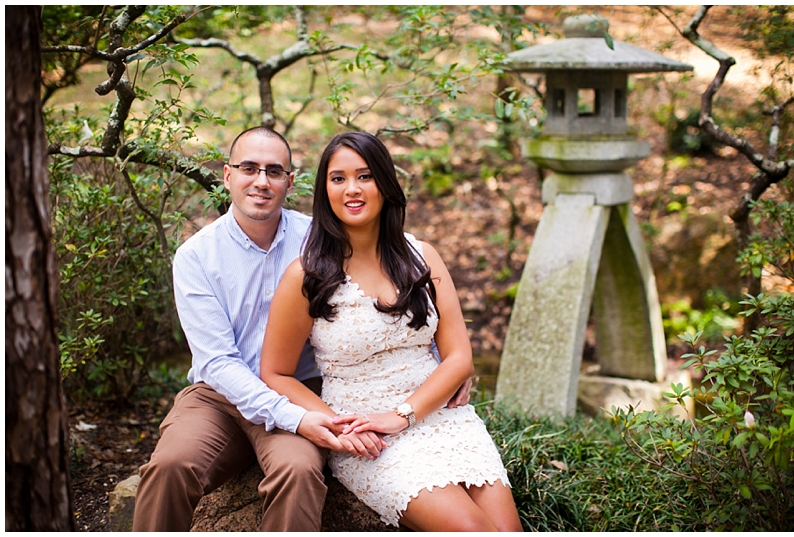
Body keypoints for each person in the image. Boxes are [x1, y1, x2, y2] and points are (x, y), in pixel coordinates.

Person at [132, 126, 470, 531]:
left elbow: (384, 306)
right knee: (170, 465)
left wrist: (446, 367)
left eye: (274, 171)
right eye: (249, 169)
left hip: (301, 388)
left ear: (290, 183)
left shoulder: (320, 238)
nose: (261, 181)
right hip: (219, 396)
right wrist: (291, 418)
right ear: (227, 175)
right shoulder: (196, 257)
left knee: (297, 471)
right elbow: (218, 362)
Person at [260, 131, 523, 531]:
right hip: (367, 434)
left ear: (385, 183)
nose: (352, 189)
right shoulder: (306, 275)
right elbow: (275, 373)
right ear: (323, 189)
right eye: (338, 178)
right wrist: (337, 426)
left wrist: (402, 415)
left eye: (365, 176)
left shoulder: (422, 257)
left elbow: (459, 358)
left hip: (443, 419)